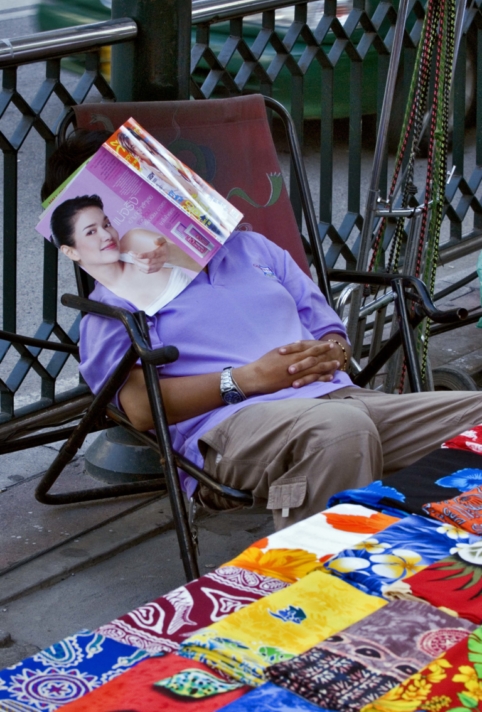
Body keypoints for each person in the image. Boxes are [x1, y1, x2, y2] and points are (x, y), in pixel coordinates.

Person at [44, 135, 482, 531]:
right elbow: (139, 409)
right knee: (339, 431)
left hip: (341, 399)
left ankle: (444, 565)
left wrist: (333, 351)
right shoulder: (114, 306)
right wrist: (246, 379)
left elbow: (328, 329)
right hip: (234, 427)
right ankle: (320, 583)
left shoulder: (251, 248)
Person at [50, 194, 202, 314]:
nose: (107, 235)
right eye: (91, 232)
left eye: (107, 225)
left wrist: (171, 254)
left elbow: (206, 263)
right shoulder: (103, 305)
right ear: (71, 252)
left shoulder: (134, 242)